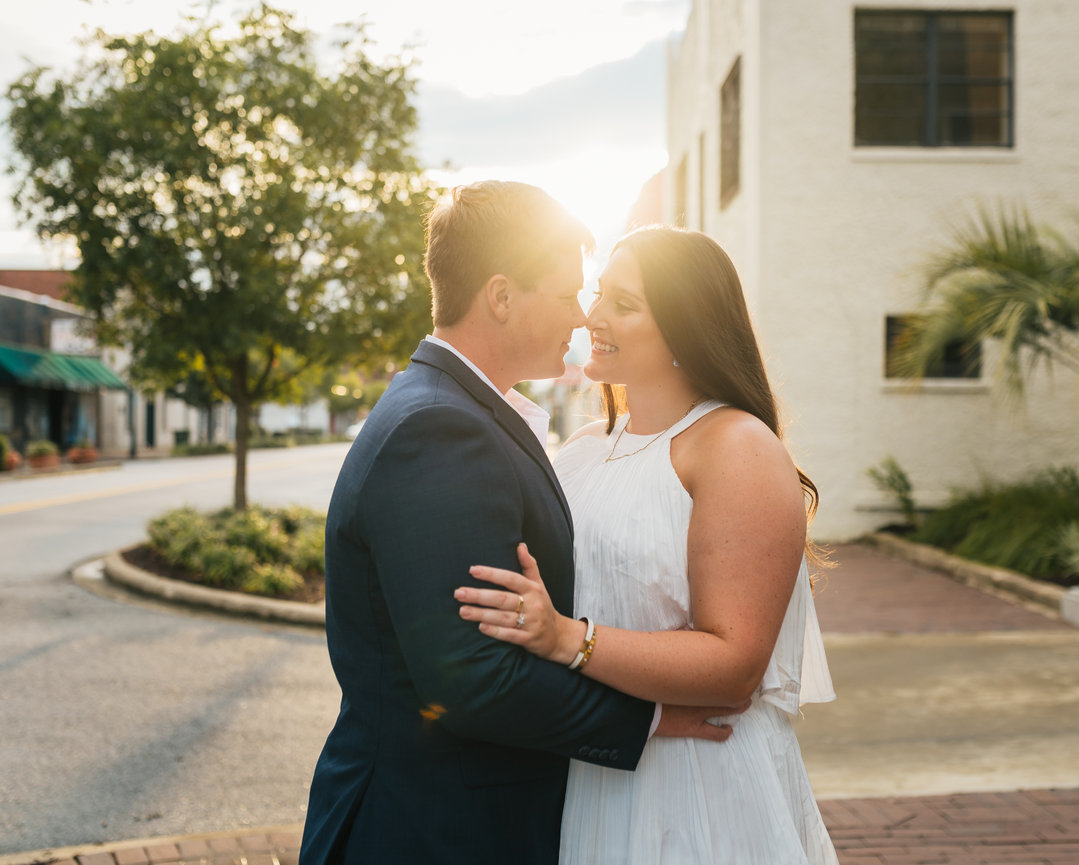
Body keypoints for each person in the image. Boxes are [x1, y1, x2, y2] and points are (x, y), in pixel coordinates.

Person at [299, 184, 740, 865]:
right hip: (431, 830)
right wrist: (648, 718)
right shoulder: (441, 429)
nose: (580, 315)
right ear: (501, 297)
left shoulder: (457, 410)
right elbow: (473, 678)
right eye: (567, 294)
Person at [456, 226, 839, 864]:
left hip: (701, 786)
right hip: (601, 772)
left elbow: (734, 664)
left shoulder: (734, 447)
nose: (593, 316)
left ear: (687, 330)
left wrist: (566, 638)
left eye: (624, 305)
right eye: (600, 294)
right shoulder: (579, 454)